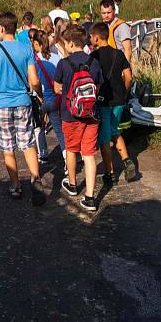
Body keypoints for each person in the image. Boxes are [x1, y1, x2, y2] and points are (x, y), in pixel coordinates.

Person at [0, 11, 46, 206]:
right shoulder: (26, 49)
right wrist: (39, 94)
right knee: (27, 143)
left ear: (1, 29)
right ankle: (36, 179)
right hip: (23, 103)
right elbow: (34, 80)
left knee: (8, 147)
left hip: (2, 105)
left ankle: (16, 186)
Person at [54, 25, 104, 212]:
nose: (64, 46)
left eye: (65, 42)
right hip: (91, 114)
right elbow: (98, 85)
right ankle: (90, 198)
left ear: (71, 43)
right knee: (89, 155)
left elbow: (57, 88)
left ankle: (73, 184)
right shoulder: (94, 62)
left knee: (72, 150)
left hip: (70, 115)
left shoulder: (63, 64)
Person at [89, 23, 136, 184]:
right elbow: (128, 77)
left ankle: (109, 173)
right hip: (119, 100)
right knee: (115, 130)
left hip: (103, 101)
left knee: (104, 138)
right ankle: (127, 160)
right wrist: (124, 92)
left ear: (96, 37)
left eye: (91, 36)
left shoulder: (94, 57)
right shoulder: (119, 54)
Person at [31, 30, 65, 168]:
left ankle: (43, 155)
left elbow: (34, 82)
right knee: (59, 130)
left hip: (40, 98)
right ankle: (66, 156)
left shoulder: (33, 60)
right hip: (56, 99)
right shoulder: (57, 58)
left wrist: (38, 95)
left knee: (39, 128)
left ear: (37, 43)